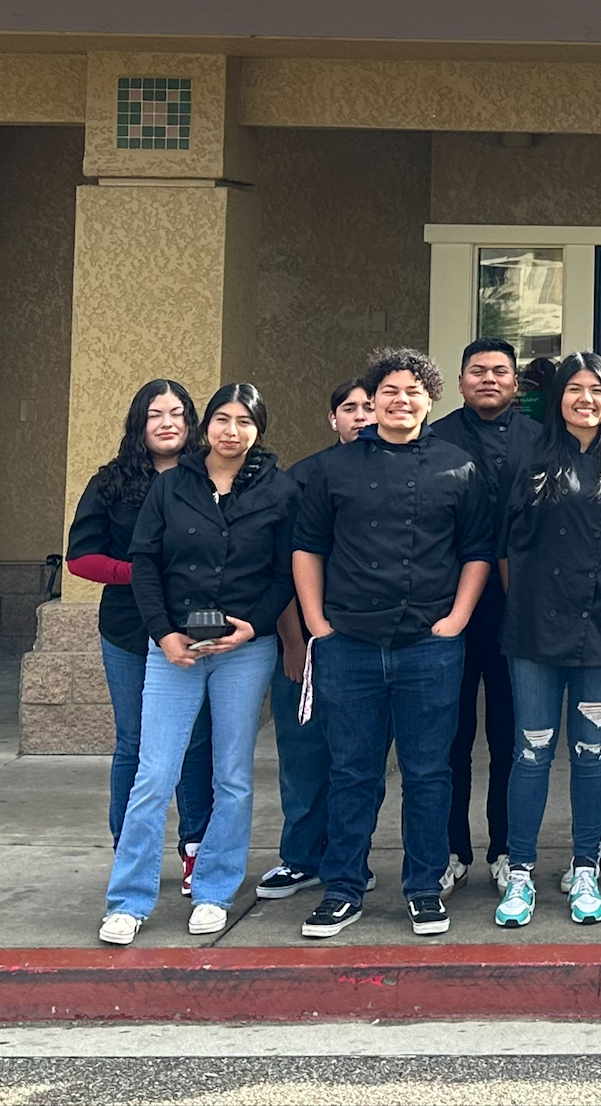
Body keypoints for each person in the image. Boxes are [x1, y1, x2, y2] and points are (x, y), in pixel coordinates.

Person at [290, 348, 495, 940]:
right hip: (348, 640)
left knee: (429, 772)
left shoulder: (458, 467)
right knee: (352, 772)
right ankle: (342, 889)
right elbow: (308, 548)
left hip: (428, 646)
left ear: (431, 400)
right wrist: (316, 625)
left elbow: (477, 551)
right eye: (389, 391)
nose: (400, 400)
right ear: (372, 400)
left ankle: (424, 888)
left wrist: (456, 619)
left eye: (412, 391)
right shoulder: (333, 469)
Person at [97, 383, 289, 944]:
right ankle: (128, 900)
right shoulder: (172, 486)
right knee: (154, 773)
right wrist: (163, 634)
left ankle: (213, 891)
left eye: (245, 422)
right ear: (206, 427)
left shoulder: (280, 490)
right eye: (223, 419)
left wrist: (253, 624)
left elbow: (284, 572)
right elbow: (146, 562)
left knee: (232, 775)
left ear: (258, 430)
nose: (233, 431)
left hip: (244, 652)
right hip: (174, 650)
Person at [494, 352, 601, 930]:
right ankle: (521, 874)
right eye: (574, 389)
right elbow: (506, 549)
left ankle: (586, 868)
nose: (585, 399)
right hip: (534, 629)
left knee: (592, 750)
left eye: (597, 390)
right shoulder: (528, 458)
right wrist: (530, 603)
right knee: (531, 750)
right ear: (558, 396)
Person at [66, 378, 214, 894]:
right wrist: (142, 573)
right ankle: (127, 848)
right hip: (129, 629)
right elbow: (81, 558)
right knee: (135, 741)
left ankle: (197, 848)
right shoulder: (110, 482)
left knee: (195, 741)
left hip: (192, 627)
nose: (167, 422)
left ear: (191, 423)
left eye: (177, 413)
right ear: (139, 423)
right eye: (155, 414)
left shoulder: (208, 478)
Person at [255, 379, 377, 902]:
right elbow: (282, 568)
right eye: (349, 408)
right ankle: (300, 857)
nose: (361, 416)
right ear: (333, 420)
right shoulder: (301, 480)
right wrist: (293, 641)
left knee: (359, 761)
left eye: (369, 406)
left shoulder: (407, 473)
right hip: (306, 641)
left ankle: (351, 861)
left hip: (371, 643)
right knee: (304, 754)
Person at [431, 337, 535, 893]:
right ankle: (450, 849)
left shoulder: (544, 441)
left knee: (511, 737)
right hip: (447, 610)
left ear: (516, 383)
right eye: (477, 371)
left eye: (500, 371)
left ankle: (506, 849)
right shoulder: (435, 438)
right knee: (450, 738)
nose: (488, 379)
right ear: (461, 379)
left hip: (519, 612)